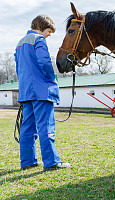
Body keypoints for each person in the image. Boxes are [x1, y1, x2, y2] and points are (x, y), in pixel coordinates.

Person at [15, 15, 70, 171]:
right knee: (46, 127)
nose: (49, 35)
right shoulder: (39, 39)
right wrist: (51, 79)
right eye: (49, 31)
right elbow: (45, 62)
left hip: (26, 92)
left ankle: (28, 162)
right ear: (40, 27)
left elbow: (19, 68)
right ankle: (52, 162)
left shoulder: (19, 44)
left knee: (27, 128)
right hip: (41, 91)